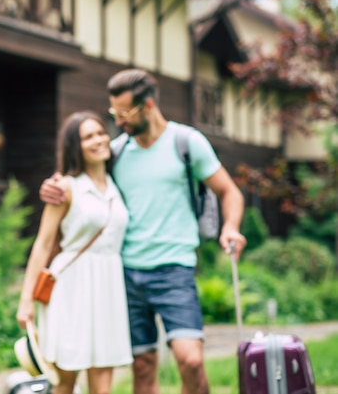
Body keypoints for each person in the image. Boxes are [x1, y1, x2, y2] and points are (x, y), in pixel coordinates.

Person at [40, 69, 247, 394]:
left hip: (174, 269)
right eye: (114, 113)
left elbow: (229, 192)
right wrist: (52, 187)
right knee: (143, 365)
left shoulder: (187, 143)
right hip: (126, 273)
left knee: (190, 360)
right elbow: (81, 181)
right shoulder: (118, 151)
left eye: (124, 114)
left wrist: (231, 227)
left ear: (148, 106)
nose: (118, 122)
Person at [17, 111, 133, 394]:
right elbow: (43, 244)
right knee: (65, 383)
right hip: (71, 288)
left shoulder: (116, 186)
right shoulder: (65, 187)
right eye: (87, 136)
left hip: (108, 287)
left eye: (100, 133)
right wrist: (26, 300)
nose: (97, 140)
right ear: (75, 146)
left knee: (103, 385)